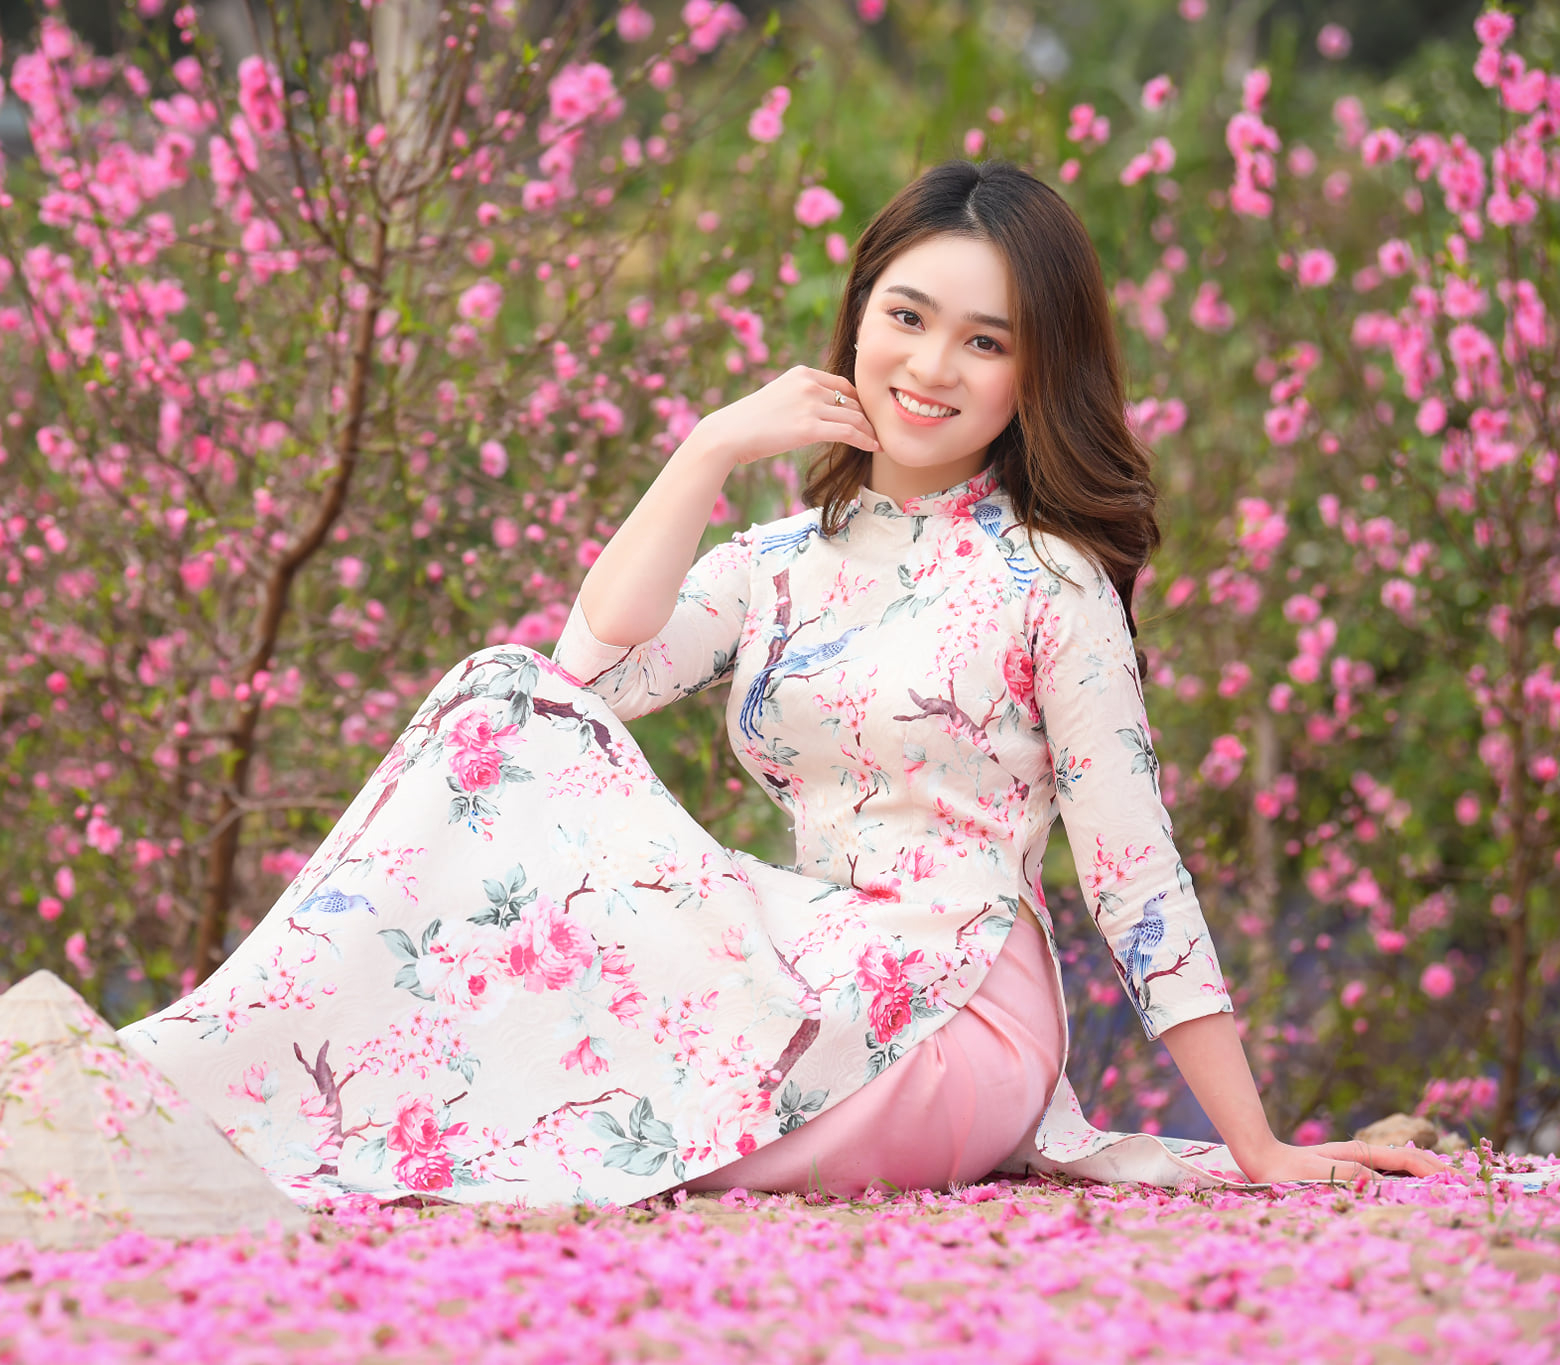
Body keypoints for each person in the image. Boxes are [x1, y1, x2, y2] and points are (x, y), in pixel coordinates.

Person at [118, 159, 1454, 1206]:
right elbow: (576, 680)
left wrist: (1258, 1143)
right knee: (496, 701)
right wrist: (704, 449)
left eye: (984, 343)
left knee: (570, 1103)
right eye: (909, 317)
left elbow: (1133, 868)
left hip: (959, 1003)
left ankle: (236, 1095)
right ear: (859, 314)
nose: (931, 367)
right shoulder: (778, 565)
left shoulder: (1052, 580)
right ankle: (202, 1071)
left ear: (1036, 372)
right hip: (813, 967)